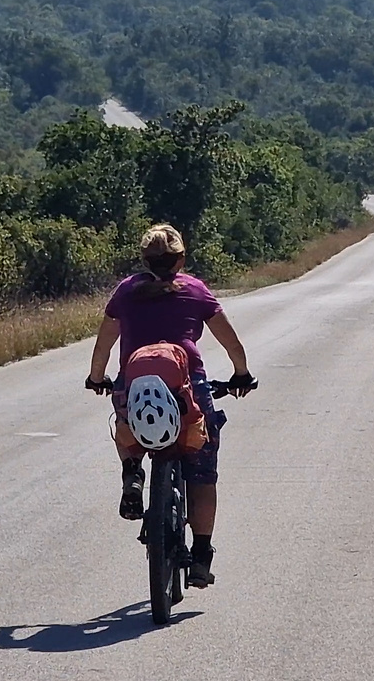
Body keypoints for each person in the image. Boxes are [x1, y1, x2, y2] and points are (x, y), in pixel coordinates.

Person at [85, 223, 254, 589]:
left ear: (144, 259)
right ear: (181, 257)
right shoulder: (195, 290)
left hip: (135, 383)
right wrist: (241, 374)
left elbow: (103, 346)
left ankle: (132, 470)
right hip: (187, 387)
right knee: (202, 471)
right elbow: (232, 343)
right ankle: (201, 555)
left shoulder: (126, 292)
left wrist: (97, 378)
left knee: (124, 420)